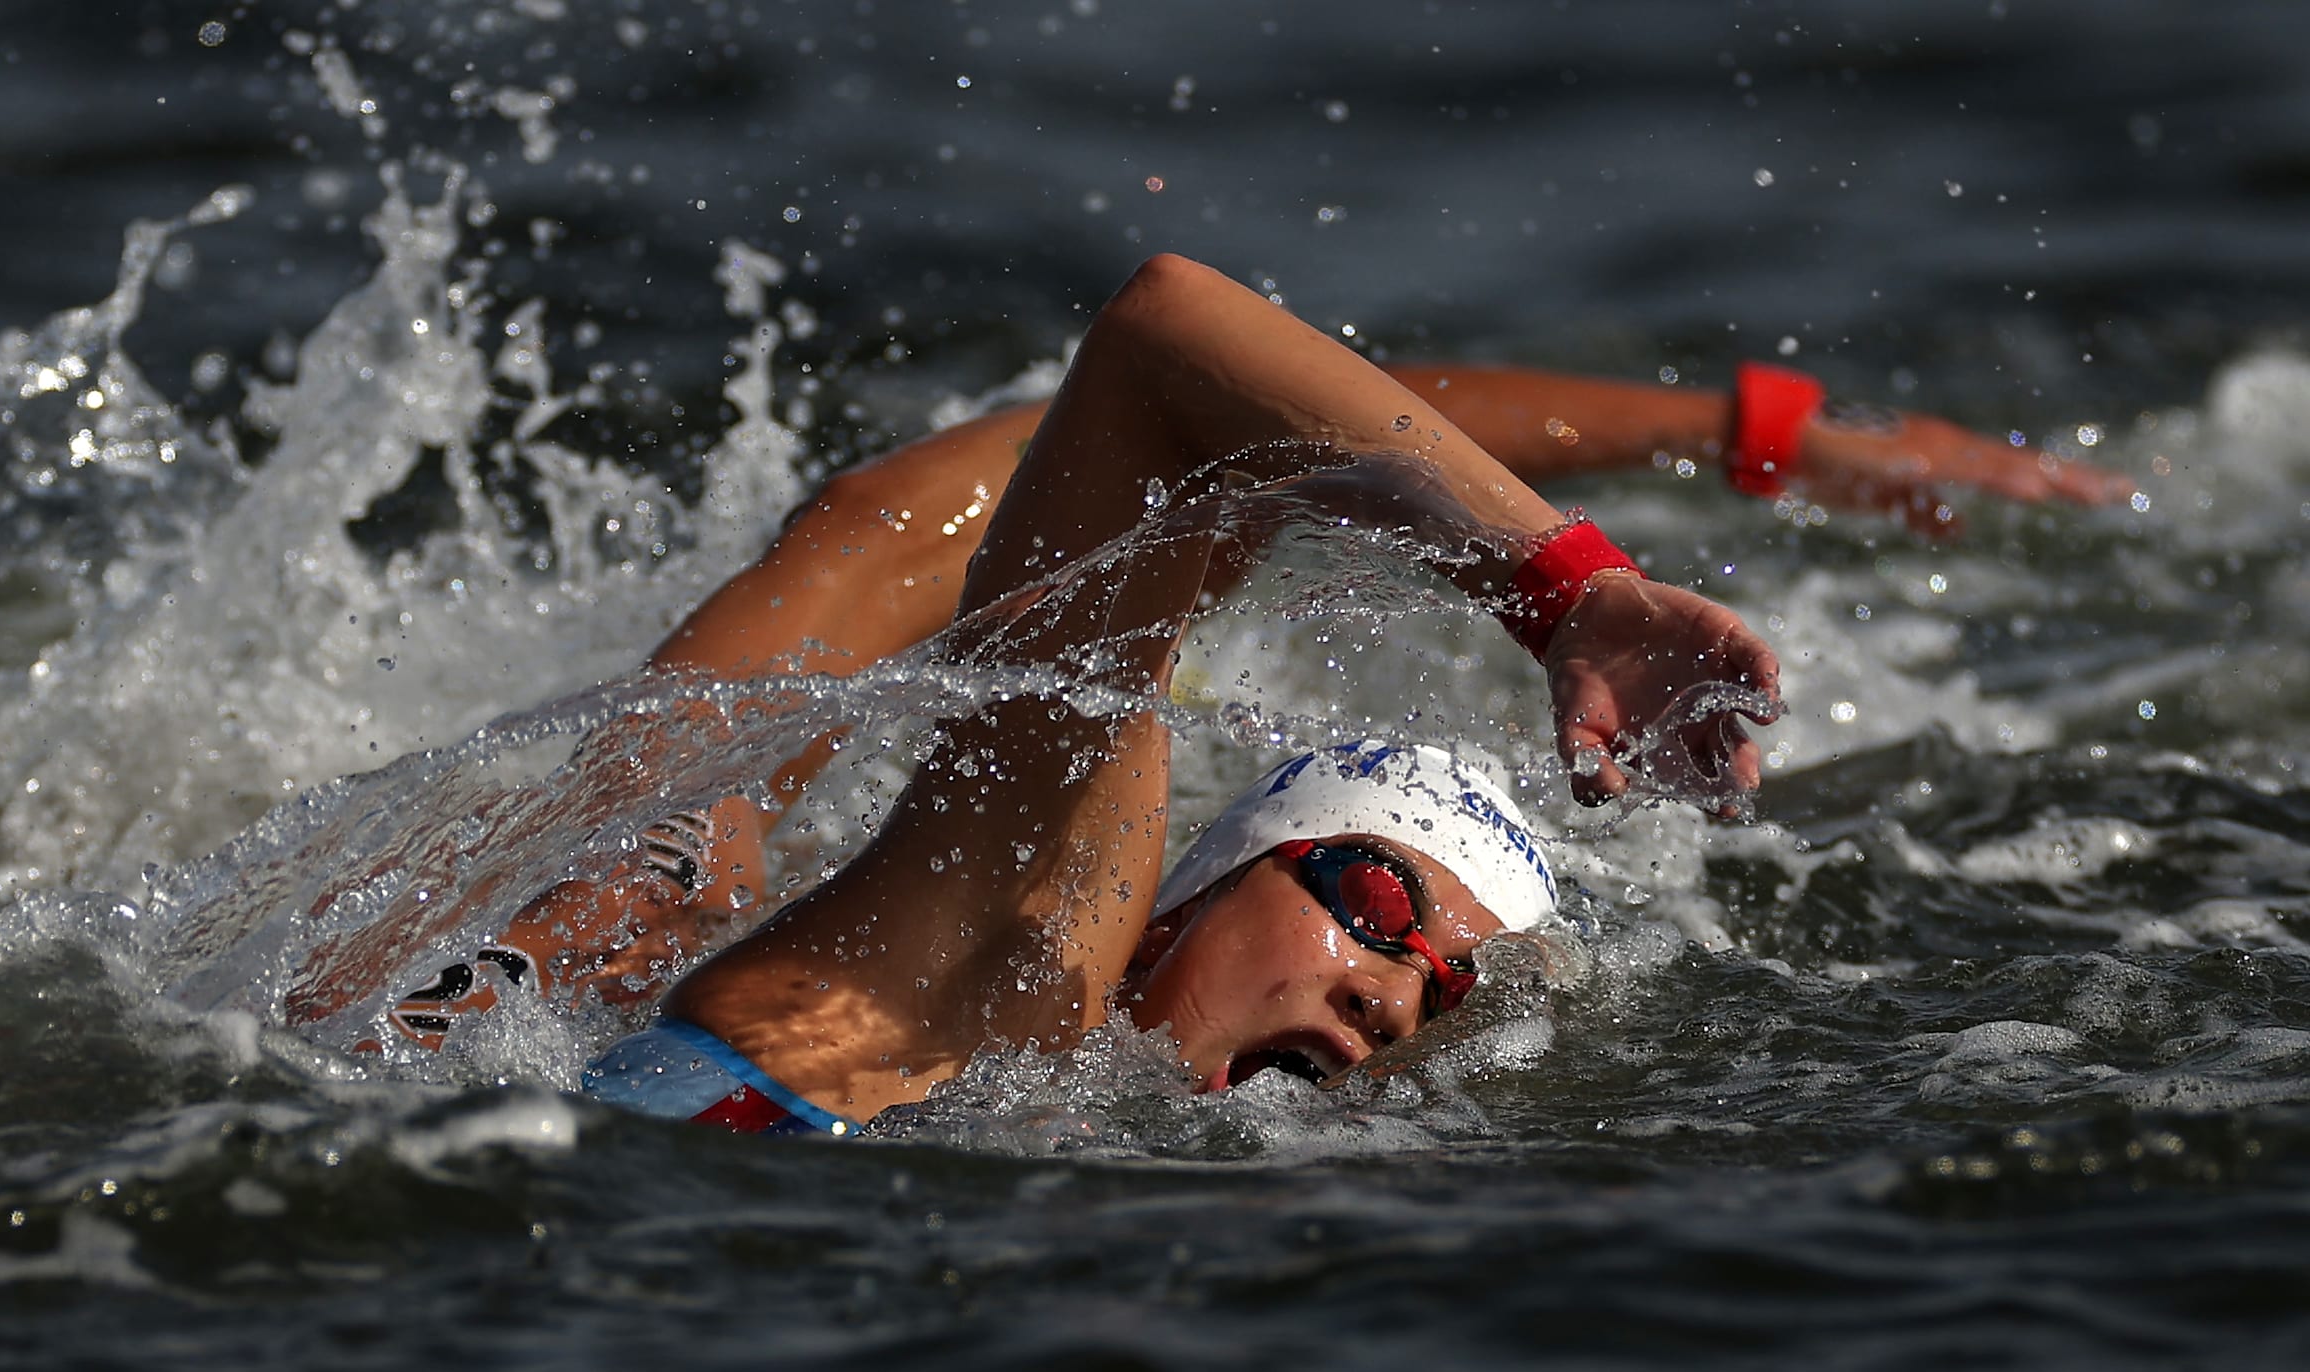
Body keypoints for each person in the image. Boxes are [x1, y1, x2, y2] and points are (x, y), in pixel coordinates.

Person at [328, 254, 2130, 1132]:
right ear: (1187, 884)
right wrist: (1586, 573)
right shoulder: (989, 966)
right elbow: (1189, 360)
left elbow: (1277, 425)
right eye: (1375, 905)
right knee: (815, 625)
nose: (1396, 997)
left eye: (1445, 990)